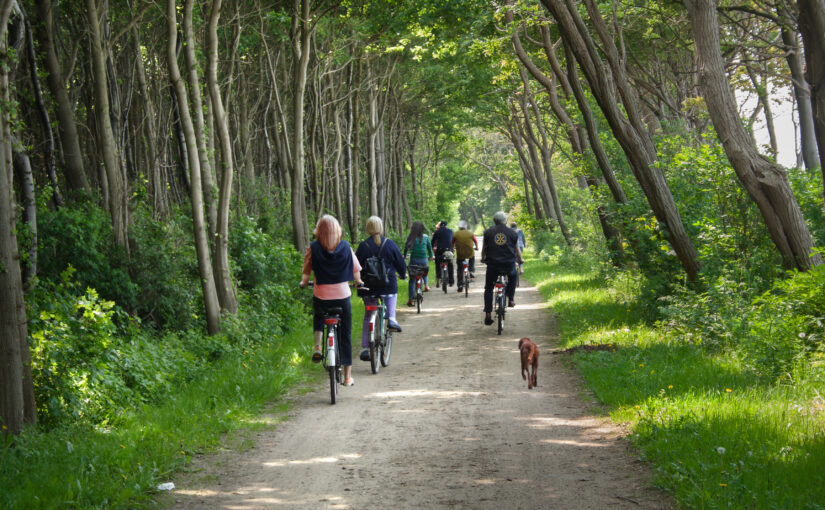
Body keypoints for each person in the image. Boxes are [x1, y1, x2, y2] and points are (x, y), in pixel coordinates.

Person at [299, 215, 363, 387]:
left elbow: (306, 271)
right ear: (337, 230)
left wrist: (304, 282)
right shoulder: (346, 247)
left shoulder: (313, 248)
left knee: (319, 315)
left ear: (318, 231)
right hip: (342, 297)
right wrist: (358, 282)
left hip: (322, 296)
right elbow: (356, 270)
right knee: (346, 335)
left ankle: (318, 347)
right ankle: (348, 376)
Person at [355, 216, 406, 362]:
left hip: (368, 287)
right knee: (391, 295)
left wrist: (356, 281)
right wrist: (403, 274)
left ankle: (365, 348)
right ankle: (391, 318)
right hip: (387, 285)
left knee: (368, 315)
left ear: (368, 228)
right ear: (381, 227)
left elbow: (356, 265)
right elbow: (400, 263)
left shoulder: (363, 246)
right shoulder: (389, 244)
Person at [481, 211, 523, 325]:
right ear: (505, 221)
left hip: (493, 264)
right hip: (508, 264)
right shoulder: (512, 233)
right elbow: (517, 250)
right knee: (513, 276)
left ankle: (488, 313)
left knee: (489, 288)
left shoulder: (488, 232)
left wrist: (483, 258)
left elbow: (484, 249)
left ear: (494, 221)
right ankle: (510, 299)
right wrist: (520, 260)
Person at [403, 221, 434, 306]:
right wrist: (431, 256)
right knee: (424, 271)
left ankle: (410, 299)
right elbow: (429, 248)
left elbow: (406, 248)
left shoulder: (410, 237)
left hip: (414, 261)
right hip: (423, 260)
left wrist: (405, 256)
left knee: (412, 280)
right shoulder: (426, 237)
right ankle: (426, 285)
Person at [452, 220, 478, 292]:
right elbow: (475, 241)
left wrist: (452, 250)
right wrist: (477, 247)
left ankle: (460, 284)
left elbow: (452, 243)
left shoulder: (456, 234)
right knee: (472, 257)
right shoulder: (470, 233)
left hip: (460, 254)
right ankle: (471, 270)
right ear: (466, 226)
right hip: (470, 252)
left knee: (460, 269)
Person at [431, 220, 455, 287]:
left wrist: (432, 247)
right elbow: (453, 240)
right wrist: (453, 249)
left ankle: (438, 277)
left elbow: (433, 242)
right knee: (450, 264)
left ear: (440, 225)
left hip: (440, 250)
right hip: (448, 250)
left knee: (437, 263)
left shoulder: (437, 232)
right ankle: (451, 281)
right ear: (446, 225)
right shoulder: (451, 231)